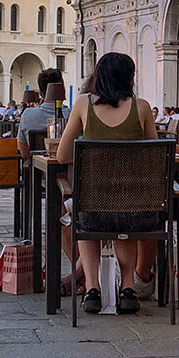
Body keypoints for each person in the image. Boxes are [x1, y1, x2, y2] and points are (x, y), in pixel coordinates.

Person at [55, 52, 163, 315]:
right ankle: (127, 288)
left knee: (85, 213)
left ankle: (93, 289)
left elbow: (62, 155)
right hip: (137, 208)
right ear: (130, 78)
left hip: (92, 207)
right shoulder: (142, 107)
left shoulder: (83, 104)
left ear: (98, 76)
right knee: (123, 218)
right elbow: (156, 153)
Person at [18, 68, 67, 159]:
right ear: (62, 88)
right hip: (69, 170)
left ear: (41, 93)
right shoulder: (72, 114)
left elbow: (24, 153)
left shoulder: (27, 115)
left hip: (38, 170)